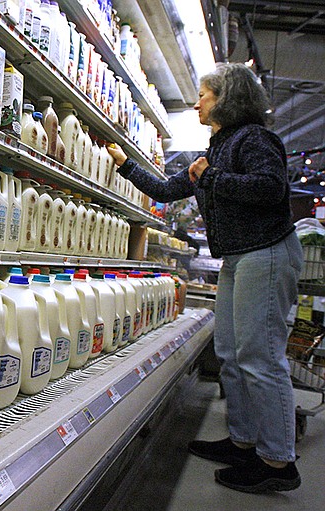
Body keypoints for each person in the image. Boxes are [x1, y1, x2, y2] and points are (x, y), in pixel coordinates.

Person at [107, 63, 303, 493]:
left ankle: (277, 461)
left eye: (204, 95)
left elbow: (272, 188)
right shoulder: (217, 148)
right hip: (240, 258)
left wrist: (209, 177)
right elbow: (163, 190)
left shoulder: (255, 139)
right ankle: (244, 441)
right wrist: (123, 163)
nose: (197, 103)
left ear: (227, 99)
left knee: (260, 357)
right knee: (232, 353)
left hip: (266, 253)